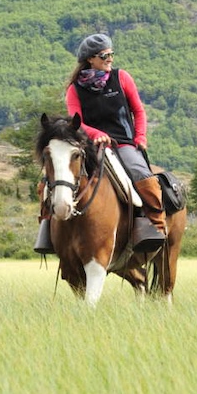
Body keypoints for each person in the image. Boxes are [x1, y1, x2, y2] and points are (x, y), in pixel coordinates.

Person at [38, 32, 168, 255]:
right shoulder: (74, 89)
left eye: (111, 54)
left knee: (142, 176)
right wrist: (96, 134)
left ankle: (156, 225)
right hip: (90, 146)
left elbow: (138, 110)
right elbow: (75, 122)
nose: (110, 58)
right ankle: (47, 228)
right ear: (90, 59)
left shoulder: (122, 78)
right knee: (48, 181)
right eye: (104, 55)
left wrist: (141, 137)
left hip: (124, 144)